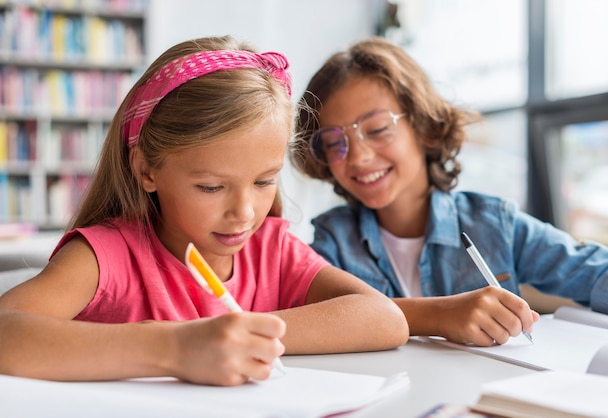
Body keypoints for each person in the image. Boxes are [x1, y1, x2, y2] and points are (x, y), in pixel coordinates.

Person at [0, 36, 409, 386]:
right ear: (146, 169)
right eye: (211, 187)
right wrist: (176, 347)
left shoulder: (272, 248)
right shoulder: (105, 257)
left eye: (265, 181)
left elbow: (383, 318)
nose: (244, 212)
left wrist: (242, 335)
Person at [290, 36, 608, 347]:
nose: (359, 156)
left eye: (377, 129)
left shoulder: (494, 225)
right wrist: (439, 315)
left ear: (425, 128)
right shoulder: (331, 242)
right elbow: (313, 320)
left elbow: (602, 274)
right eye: (335, 143)